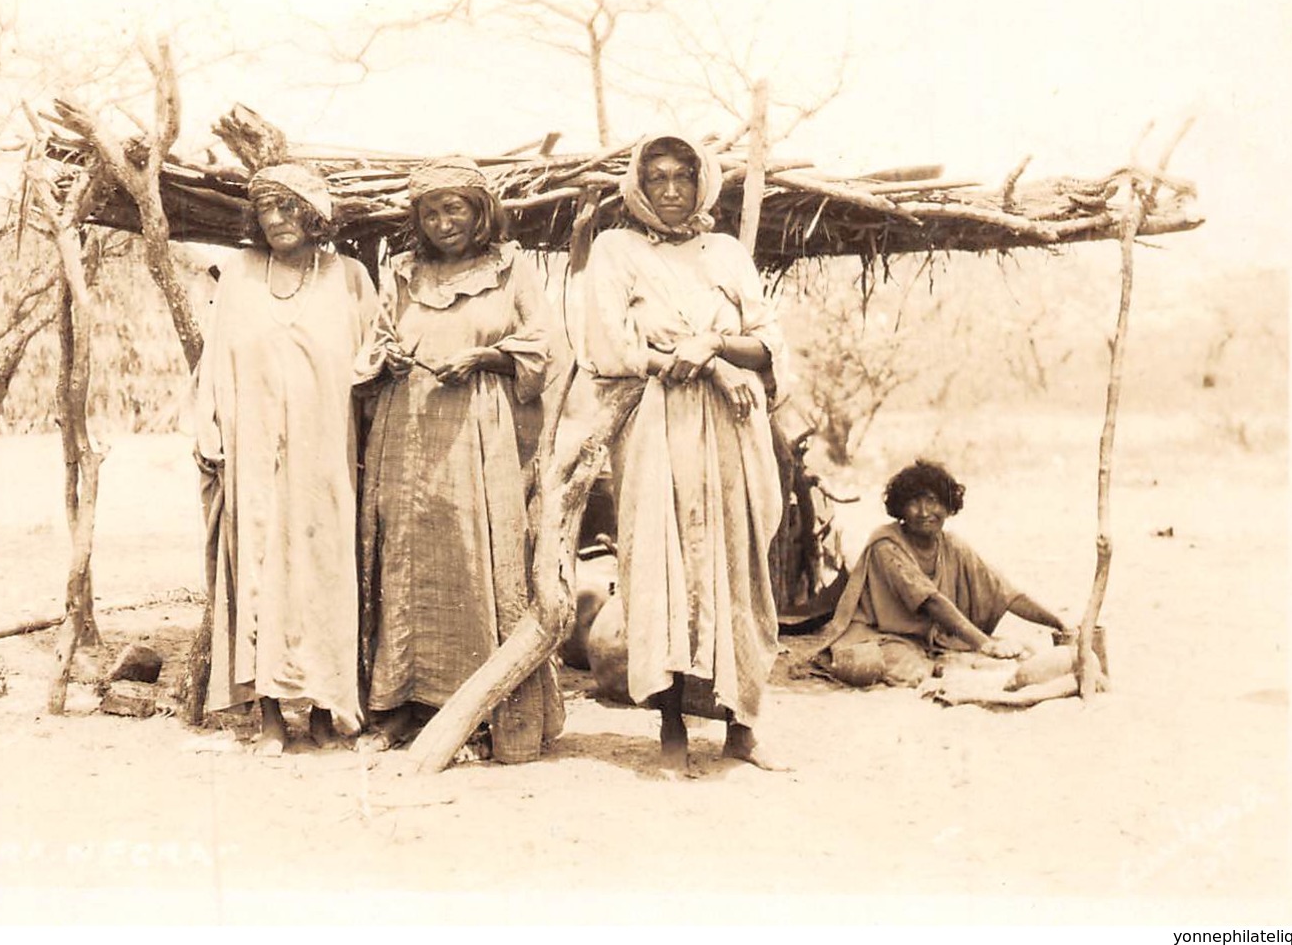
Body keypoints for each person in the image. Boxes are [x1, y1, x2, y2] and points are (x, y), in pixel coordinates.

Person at [577, 131, 788, 773]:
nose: (671, 191)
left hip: (733, 433)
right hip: (657, 429)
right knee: (663, 567)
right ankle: (670, 728)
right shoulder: (614, 250)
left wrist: (718, 349)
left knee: (738, 568)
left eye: (683, 178)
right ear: (638, 187)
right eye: (658, 178)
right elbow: (612, 347)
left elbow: (769, 342)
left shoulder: (725, 253)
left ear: (703, 185)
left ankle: (742, 728)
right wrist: (698, 359)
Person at [359, 157, 562, 763]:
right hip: (405, 431)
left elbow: (543, 346)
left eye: (455, 208)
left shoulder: (511, 268)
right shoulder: (401, 272)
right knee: (404, 556)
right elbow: (374, 341)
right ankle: (401, 705)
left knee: (474, 557)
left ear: (479, 213)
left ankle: (476, 709)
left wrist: (485, 357)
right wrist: (387, 360)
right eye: (430, 211)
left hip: (479, 432)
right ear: (416, 219)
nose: (443, 221)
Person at [190, 163, 384, 755]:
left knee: (325, 569)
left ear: (316, 213)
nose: (278, 219)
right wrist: (210, 428)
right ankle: (271, 713)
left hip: (325, 453)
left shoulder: (348, 277)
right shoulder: (241, 276)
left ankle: (326, 708)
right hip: (255, 454)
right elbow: (215, 362)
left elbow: (375, 352)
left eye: (290, 206)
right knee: (260, 569)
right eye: (267, 208)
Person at [812, 459, 1070, 687]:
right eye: (914, 503)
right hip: (880, 634)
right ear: (901, 509)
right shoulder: (886, 546)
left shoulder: (952, 545)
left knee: (1023, 652)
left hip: (930, 637)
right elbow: (930, 601)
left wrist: (1058, 623)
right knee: (906, 672)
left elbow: (1006, 593)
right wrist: (984, 643)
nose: (924, 512)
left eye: (932, 501)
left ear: (948, 507)